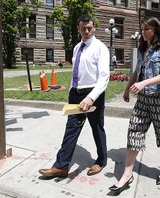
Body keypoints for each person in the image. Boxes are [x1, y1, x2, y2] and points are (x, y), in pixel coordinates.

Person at [109, 16, 160, 194]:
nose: (143, 32)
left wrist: (144, 83)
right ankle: (127, 174)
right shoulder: (142, 50)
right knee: (134, 131)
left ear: (155, 29)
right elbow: (136, 71)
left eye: (147, 29)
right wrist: (126, 89)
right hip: (143, 100)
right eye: (142, 29)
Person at [39, 15, 110, 178]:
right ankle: (61, 166)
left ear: (94, 28)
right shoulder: (77, 47)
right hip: (76, 94)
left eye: (89, 28)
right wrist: (72, 89)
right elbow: (76, 71)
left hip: (94, 95)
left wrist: (91, 97)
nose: (87, 31)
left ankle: (101, 160)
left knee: (97, 128)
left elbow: (104, 77)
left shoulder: (100, 48)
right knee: (71, 129)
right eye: (83, 28)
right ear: (78, 28)